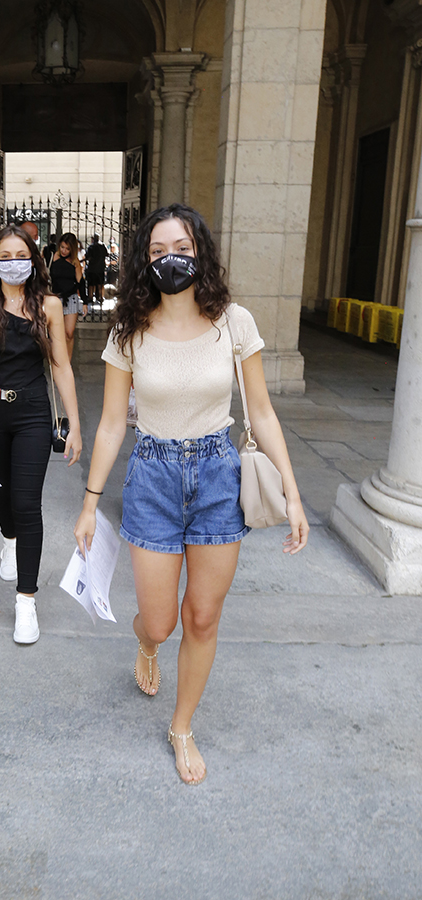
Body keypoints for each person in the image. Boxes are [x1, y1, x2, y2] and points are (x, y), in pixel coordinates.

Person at [73, 203, 309, 785]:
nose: (169, 257)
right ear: (143, 261)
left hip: (216, 475)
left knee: (202, 616)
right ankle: (146, 645)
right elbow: (109, 425)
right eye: (156, 251)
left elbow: (261, 411)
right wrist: (88, 502)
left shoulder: (235, 322)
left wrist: (293, 493)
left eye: (180, 245)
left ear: (198, 250)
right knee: (159, 622)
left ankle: (181, 726)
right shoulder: (129, 331)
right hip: (152, 476)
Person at [0, 225, 82, 645]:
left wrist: (75, 424)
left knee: (27, 504)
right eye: (4, 256)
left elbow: (60, 366)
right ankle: (8, 540)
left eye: (19, 254)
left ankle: (26, 601)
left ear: (33, 259)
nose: (12, 263)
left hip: (32, 414)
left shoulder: (50, 306)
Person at [48, 232, 88, 360]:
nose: (64, 251)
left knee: (69, 333)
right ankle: (56, 359)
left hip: (71, 298)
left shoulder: (75, 262)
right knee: (55, 333)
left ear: (72, 249)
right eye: (62, 247)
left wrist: (85, 302)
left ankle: (67, 361)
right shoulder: (54, 257)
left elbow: (81, 283)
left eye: (67, 248)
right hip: (55, 298)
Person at [85, 234, 109, 303]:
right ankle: (101, 297)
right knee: (100, 284)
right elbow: (107, 254)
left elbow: (88, 257)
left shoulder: (91, 247)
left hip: (92, 268)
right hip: (100, 268)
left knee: (91, 284)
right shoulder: (102, 246)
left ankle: (90, 297)